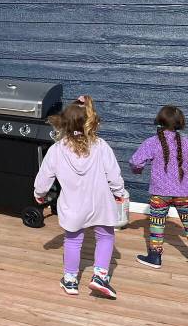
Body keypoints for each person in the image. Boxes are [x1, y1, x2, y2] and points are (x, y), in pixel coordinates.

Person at [34, 96, 125, 298]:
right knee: (106, 236)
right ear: (89, 122)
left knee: (73, 241)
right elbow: (113, 174)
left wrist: (39, 195)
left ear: (64, 124)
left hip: (73, 206)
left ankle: (70, 280)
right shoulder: (100, 146)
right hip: (100, 203)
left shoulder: (56, 150)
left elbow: (44, 177)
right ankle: (100, 276)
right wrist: (119, 192)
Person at [129, 105, 188, 269]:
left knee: (157, 223)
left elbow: (135, 161)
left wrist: (138, 171)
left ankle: (155, 257)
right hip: (183, 192)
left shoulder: (152, 142)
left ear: (160, 120)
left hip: (159, 192)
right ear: (180, 123)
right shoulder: (187, 143)